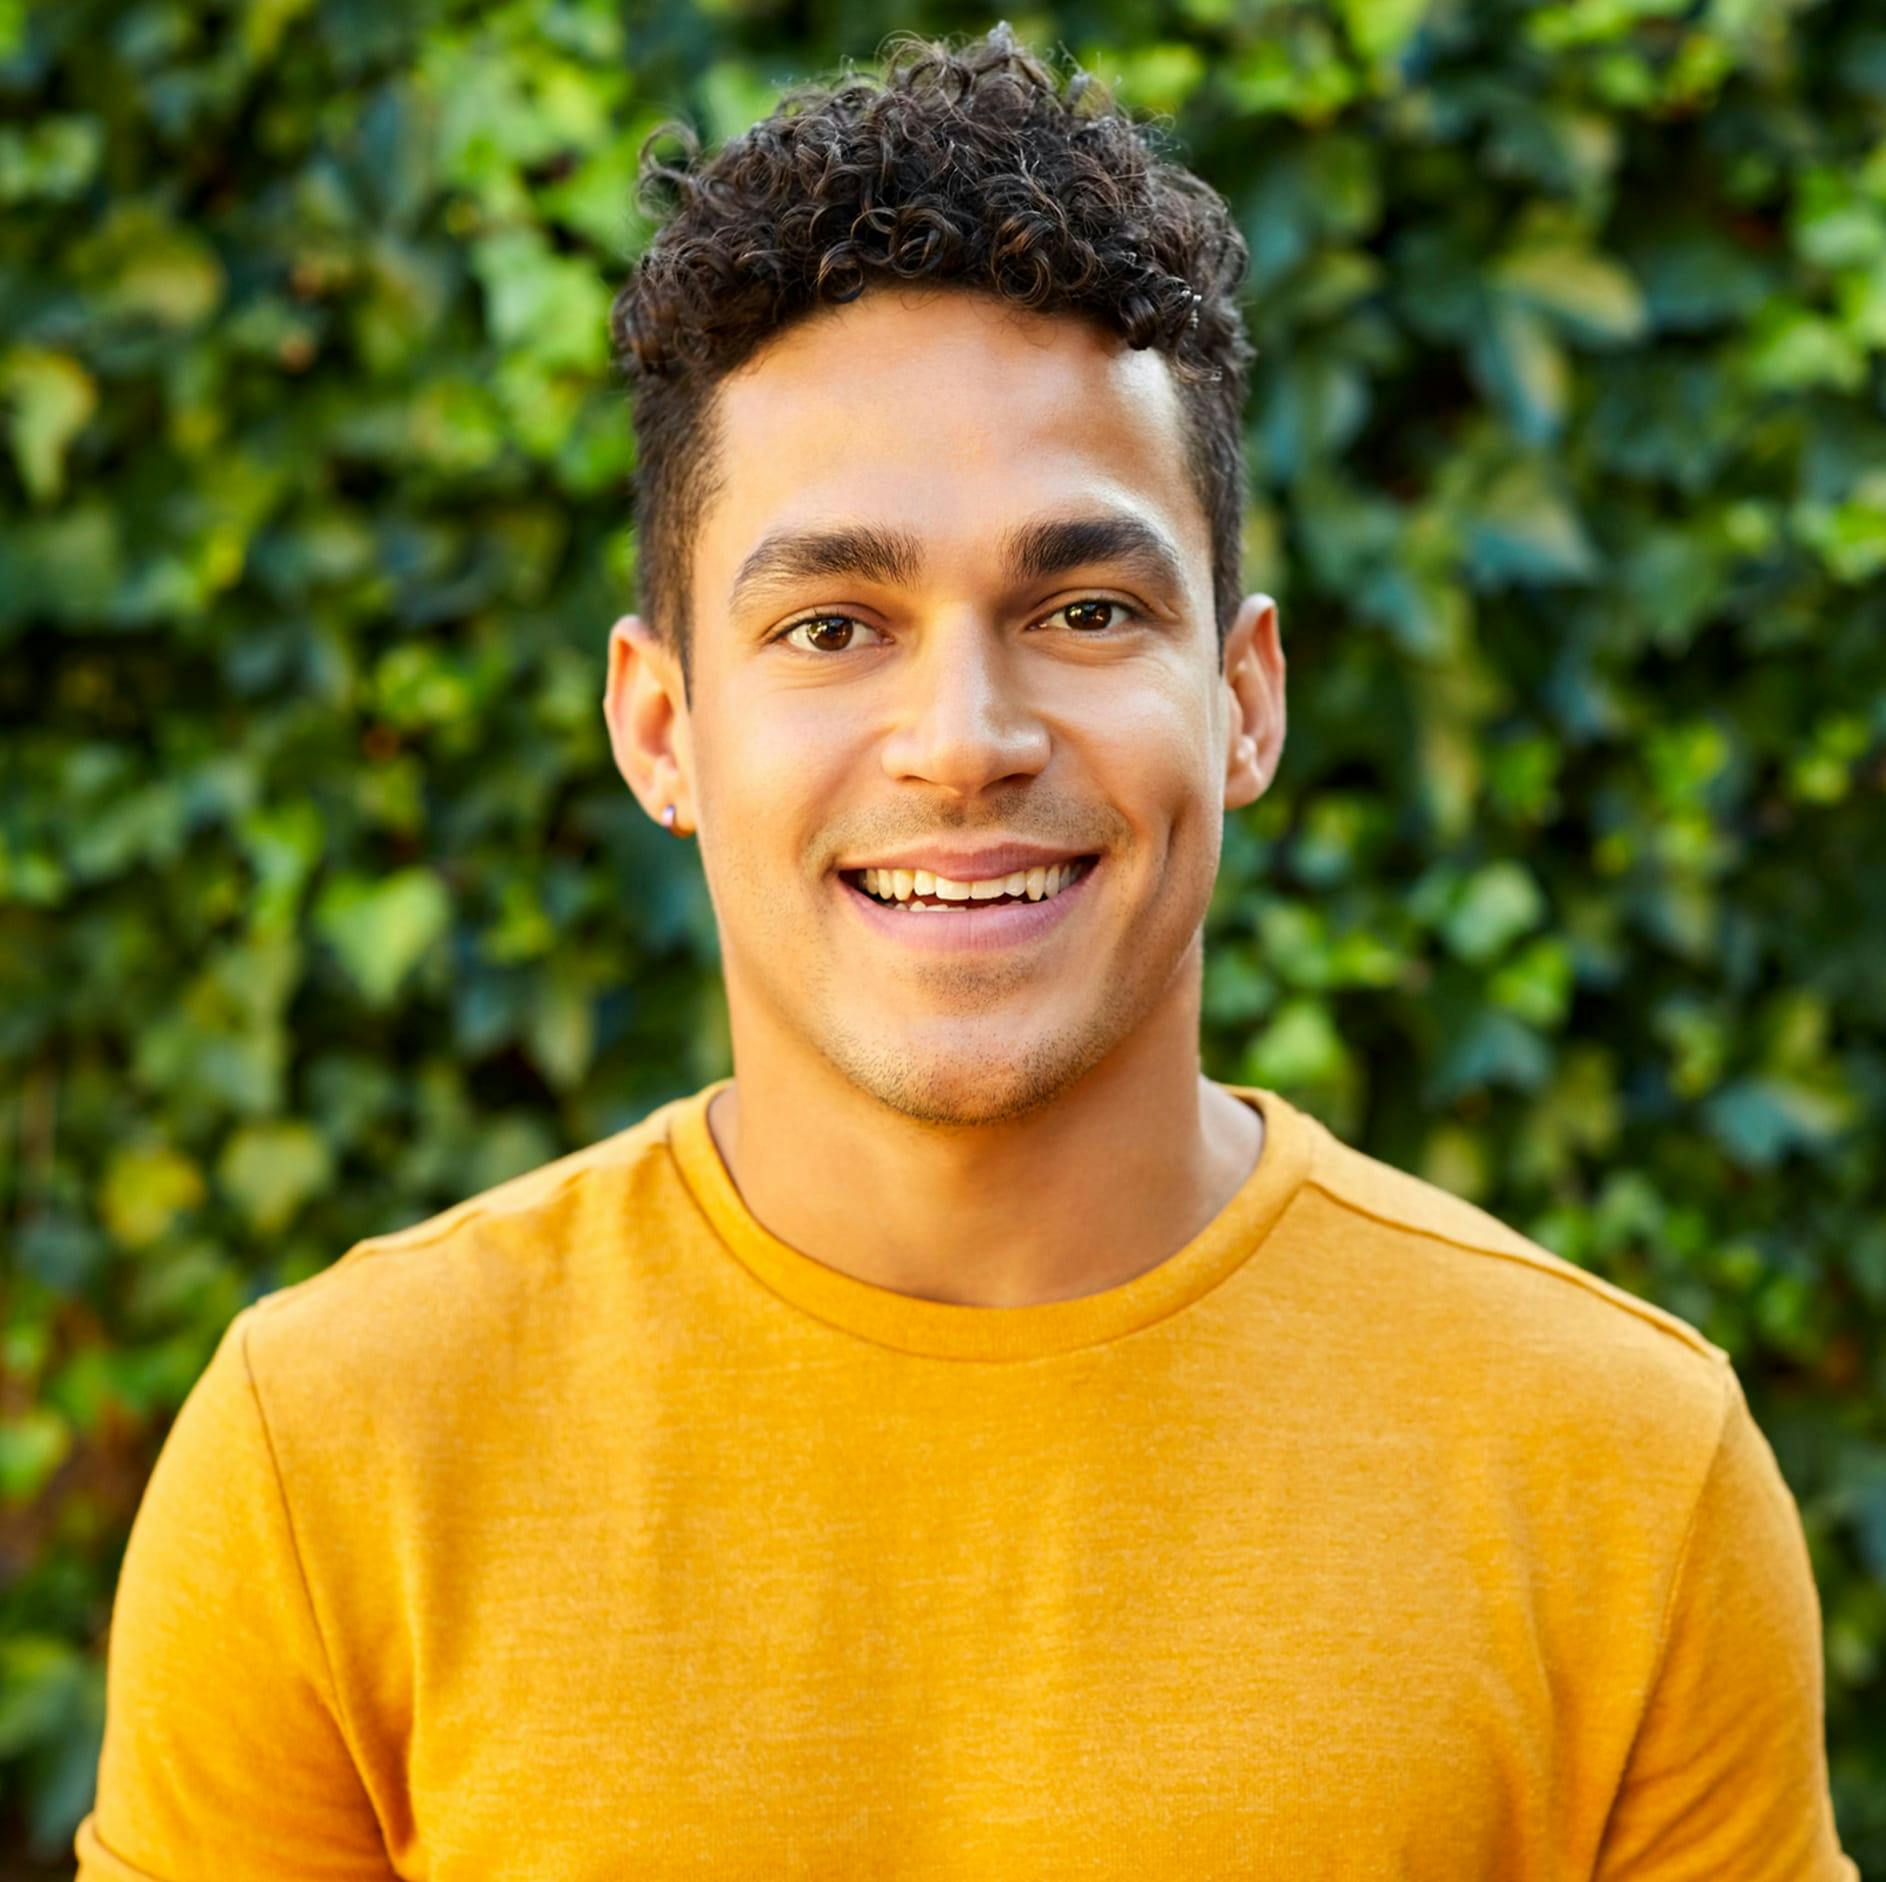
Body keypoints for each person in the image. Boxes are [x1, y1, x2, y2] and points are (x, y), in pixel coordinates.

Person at [75, 23, 1857, 1880]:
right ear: (660, 727)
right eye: (833, 624)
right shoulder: (336, 1458)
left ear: (1242, 701)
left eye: (1082, 608)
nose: (964, 737)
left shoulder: (1617, 1472)